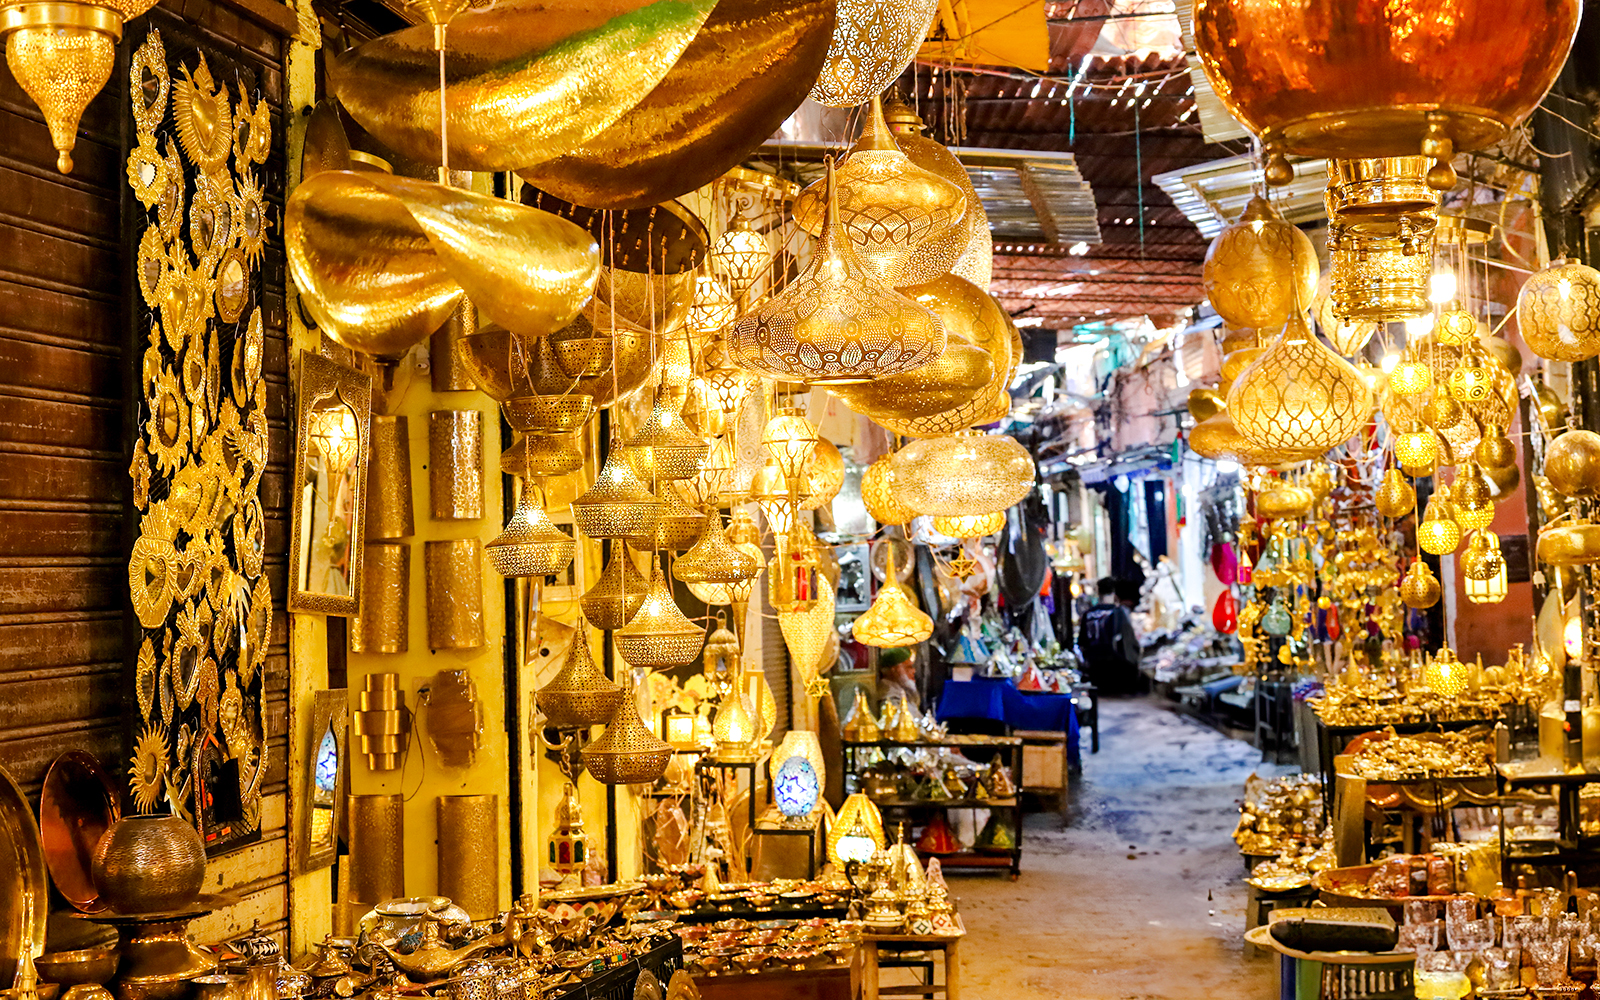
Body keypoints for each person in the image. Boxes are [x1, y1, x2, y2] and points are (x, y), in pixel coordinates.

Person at [1079, 577, 1141, 695]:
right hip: (1115, 666)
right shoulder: (1119, 612)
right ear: (1114, 592)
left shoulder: (1088, 614)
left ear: (1098, 592)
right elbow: (1128, 640)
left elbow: (1082, 642)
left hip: (1095, 666)